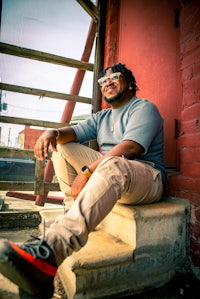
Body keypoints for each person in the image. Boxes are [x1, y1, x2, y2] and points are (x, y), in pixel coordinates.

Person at [0, 63, 166, 298]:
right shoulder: (102, 117)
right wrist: (52, 133)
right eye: (102, 81)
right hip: (113, 171)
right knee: (61, 146)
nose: (107, 83)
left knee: (112, 163)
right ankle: (74, 214)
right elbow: (71, 133)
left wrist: (87, 172)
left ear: (128, 82)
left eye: (114, 77)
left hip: (147, 177)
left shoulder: (143, 108)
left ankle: (51, 252)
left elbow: (131, 147)